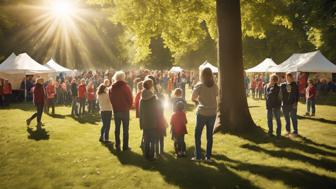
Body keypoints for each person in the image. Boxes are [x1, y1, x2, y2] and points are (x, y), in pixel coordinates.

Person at [191, 67, 218, 162]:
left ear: (202, 75)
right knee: (209, 136)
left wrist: (197, 102)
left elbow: (192, 97)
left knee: (197, 135)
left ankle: (198, 156)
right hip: (212, 112)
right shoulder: (215, 85)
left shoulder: (200, 85)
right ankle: (208, 157)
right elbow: (217, 95)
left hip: (202, 112)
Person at [109, 71, 133, 151]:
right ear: (123, 77)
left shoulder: (111, 88)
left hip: (116, 110)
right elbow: (130, 99)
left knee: (117, 129)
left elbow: (111, 99)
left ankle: (117, 145)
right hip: (124, 110)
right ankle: (125, 146)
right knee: (125, 130)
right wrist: (128, 107)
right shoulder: (126, 87)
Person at [139, 79, 158, 160]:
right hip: (152, 120)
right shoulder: (153, 98)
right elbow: (156, 110)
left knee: (146, 139)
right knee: (152, 140)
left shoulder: (141, 98)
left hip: (144, 121)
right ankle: (151, 155)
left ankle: (146, 155)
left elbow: (140, 112)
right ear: (150, 86)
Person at [281, 73, 299, 137]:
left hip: (292, 104)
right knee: (287, 118)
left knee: (293, 118)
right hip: (285, 104)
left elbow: (297, 95)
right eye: (287, 78)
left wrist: (295, 103)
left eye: (289, 77)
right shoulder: (283, 85)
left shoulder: (295, 85)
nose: (288, 79)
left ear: (292, 78)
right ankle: (288, 131)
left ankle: (295, 131)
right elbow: (280, 94)